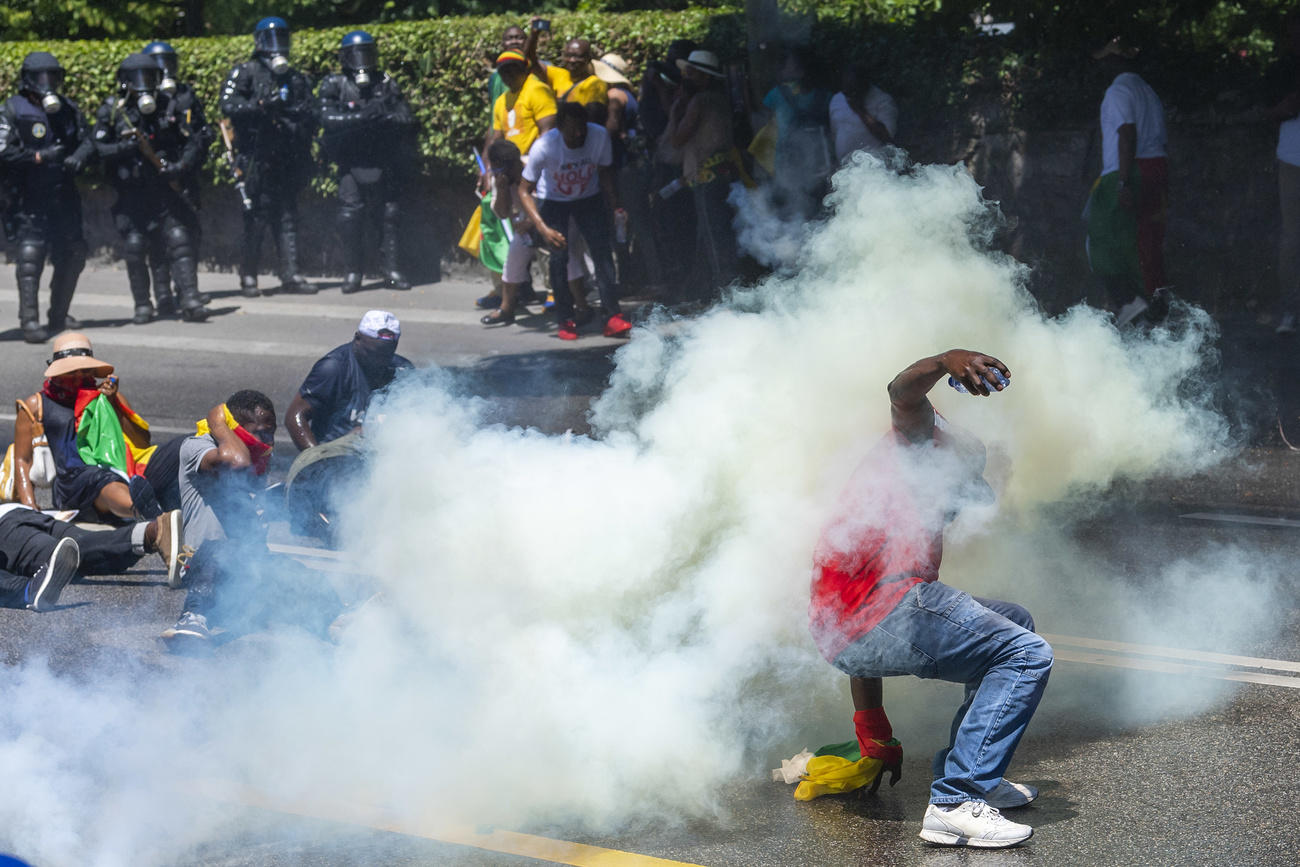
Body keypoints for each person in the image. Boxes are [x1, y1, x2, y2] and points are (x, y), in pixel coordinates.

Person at [810, 349, 1052, 848]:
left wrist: (871, 726)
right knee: (1026, 655)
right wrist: (947, 359)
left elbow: (860, 623)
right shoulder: (915, 448)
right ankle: (956, 800)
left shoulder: (912, 516)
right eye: (965, 484)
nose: (961, 503)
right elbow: (903, 393)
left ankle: (975, 776)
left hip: (851, 628)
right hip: (869, 618)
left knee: (1016, 623)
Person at [161, 391, 342, 646]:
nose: (268, 441)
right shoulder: (198, 446)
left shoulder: (257, 462)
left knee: (302, 576)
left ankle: (340, 618)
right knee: (224, 549)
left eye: (271, 432)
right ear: (234, 428)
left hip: (244, 572)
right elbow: (236, 462)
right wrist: (219, 424)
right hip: (202, 565)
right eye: (260, 432)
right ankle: (192, 618)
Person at [93, 53, 209, 324]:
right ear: (125, 82)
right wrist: (124, 148)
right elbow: (98, 148)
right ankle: (143, 304)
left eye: (150, 78)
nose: (144, 85)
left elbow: (193, 141)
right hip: (131, 194)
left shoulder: (169, 106)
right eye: (137, 79)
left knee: (179, 240)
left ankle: (190, 298)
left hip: (164, 190)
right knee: (136, 248)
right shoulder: (113, 111)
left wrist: (179, 166)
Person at [10, 332, 173, 524]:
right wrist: (30, 505)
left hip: (111, 472)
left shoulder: (106, 396)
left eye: (85, 371)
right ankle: (150, 514)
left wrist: (113, 403)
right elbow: (22, 459)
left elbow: (141, 441)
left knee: (117, 476)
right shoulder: (36, 405)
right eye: (72, 371)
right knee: (102, 480)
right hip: (70, 484)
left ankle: (153, 513)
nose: (79, 376)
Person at [0, 52, 96, 344]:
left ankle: (58, 316)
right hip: (28, 197)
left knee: (73, 253)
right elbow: (2, 150)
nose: (48, 83)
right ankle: (29, 321)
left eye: (53, 77)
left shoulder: (67, 109)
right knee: (30, 258)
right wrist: (38, 157)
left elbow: (90, 139)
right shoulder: (12, 110)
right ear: (28, 80)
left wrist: (80, 156)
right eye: (42, 77)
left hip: (63, 196)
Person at [219, 16, 317, 298]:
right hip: (255, 157)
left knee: (287, 217)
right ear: (259, 42)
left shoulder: (295, 77)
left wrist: (289, 118)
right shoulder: (245, 71)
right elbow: (228, 104)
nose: (278, 46)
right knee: (255, 219)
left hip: (285, 157)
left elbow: (309, 112)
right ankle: (248, 277)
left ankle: (290, 274)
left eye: (282, 38)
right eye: (271, 39)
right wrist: (259, 106)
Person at [518, 101, 630, 340]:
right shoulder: (545, 147)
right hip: (553, 201)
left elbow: (605, 173)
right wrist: (542, 227)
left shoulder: (598, 136)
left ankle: (612, 316)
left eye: (582, 129)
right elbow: (524, 190)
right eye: (572, 130)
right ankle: (565, 319)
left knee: (602, 252)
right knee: (559, 258)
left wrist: (615, 206)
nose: (579, 135)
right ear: (560, 128)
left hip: (589, 198)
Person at [318, 31, 418, 294]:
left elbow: (406, 118)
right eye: (356, 54)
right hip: (350, 161)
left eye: (367, 53)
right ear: (344, 57)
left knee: (389, 214)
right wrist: (363, 117)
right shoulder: (334, 83)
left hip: (382, 159)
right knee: (351, 215)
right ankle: (353, 272)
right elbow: (327, 118)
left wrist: (385, 117)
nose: (362, 60)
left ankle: (392, 270)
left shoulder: (384, 82)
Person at [1088, 36, 1169, 326]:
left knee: (1097, 234)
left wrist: (1123, 182)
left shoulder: (1118, 91)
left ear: (1115, 60)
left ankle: (1128, 302)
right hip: (1156, 166)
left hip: (1127, 170)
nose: (1102, 66)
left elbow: (1126, 133)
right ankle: (1158, 310)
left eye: (1106, 60)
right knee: (1146, 239)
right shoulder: (1148, 91)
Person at [142, 39, 217, 311]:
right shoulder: (146, 100)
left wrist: (184, 165)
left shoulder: (185, 95)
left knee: (190, 233)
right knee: (162, 238)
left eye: (169, 63)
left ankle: (185, 289)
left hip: (183, 174)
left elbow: (198, 135)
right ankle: (165, 296)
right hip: (154, 179)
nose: (165, 70)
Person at [0, 502, 185, 609]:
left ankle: (28, 590)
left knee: (61, 559)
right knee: (84, 544)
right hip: (14, 511)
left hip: (5, 533)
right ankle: (154, 532)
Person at [665, 49, 740, 299]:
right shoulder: (719, 98)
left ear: (703, 77)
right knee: (710, 236)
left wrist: (676, 112)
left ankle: (726, 296)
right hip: (721, 174)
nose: (684, 75)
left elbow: (677, 140)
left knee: (714, 238)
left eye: (690, 71)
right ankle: (705, 292)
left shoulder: (700, 101)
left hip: (707, 178)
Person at [761, 47, 835, 218]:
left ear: (801, 70)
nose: (783, 70)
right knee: (817, 215)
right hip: (817, 167)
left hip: (788, 167)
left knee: (792, 215)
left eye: (788, 66)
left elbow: (762, 123)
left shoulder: (777, 94)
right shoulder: (826, 96)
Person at [1273, 16, 1300, 335]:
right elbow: (1271, 110)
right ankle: (1290, 311)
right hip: (1291, 159)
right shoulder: (1282, 69)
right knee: (1292, 238)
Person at [829, 61, 897, 163]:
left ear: (863, 83)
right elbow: (835, 133)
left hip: (875, 166)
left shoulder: (883, 100)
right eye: (846, 91)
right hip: (845, 168)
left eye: (854, 90)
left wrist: (860, 111)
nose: (850, 96)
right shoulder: (837, 99)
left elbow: (888, 137)